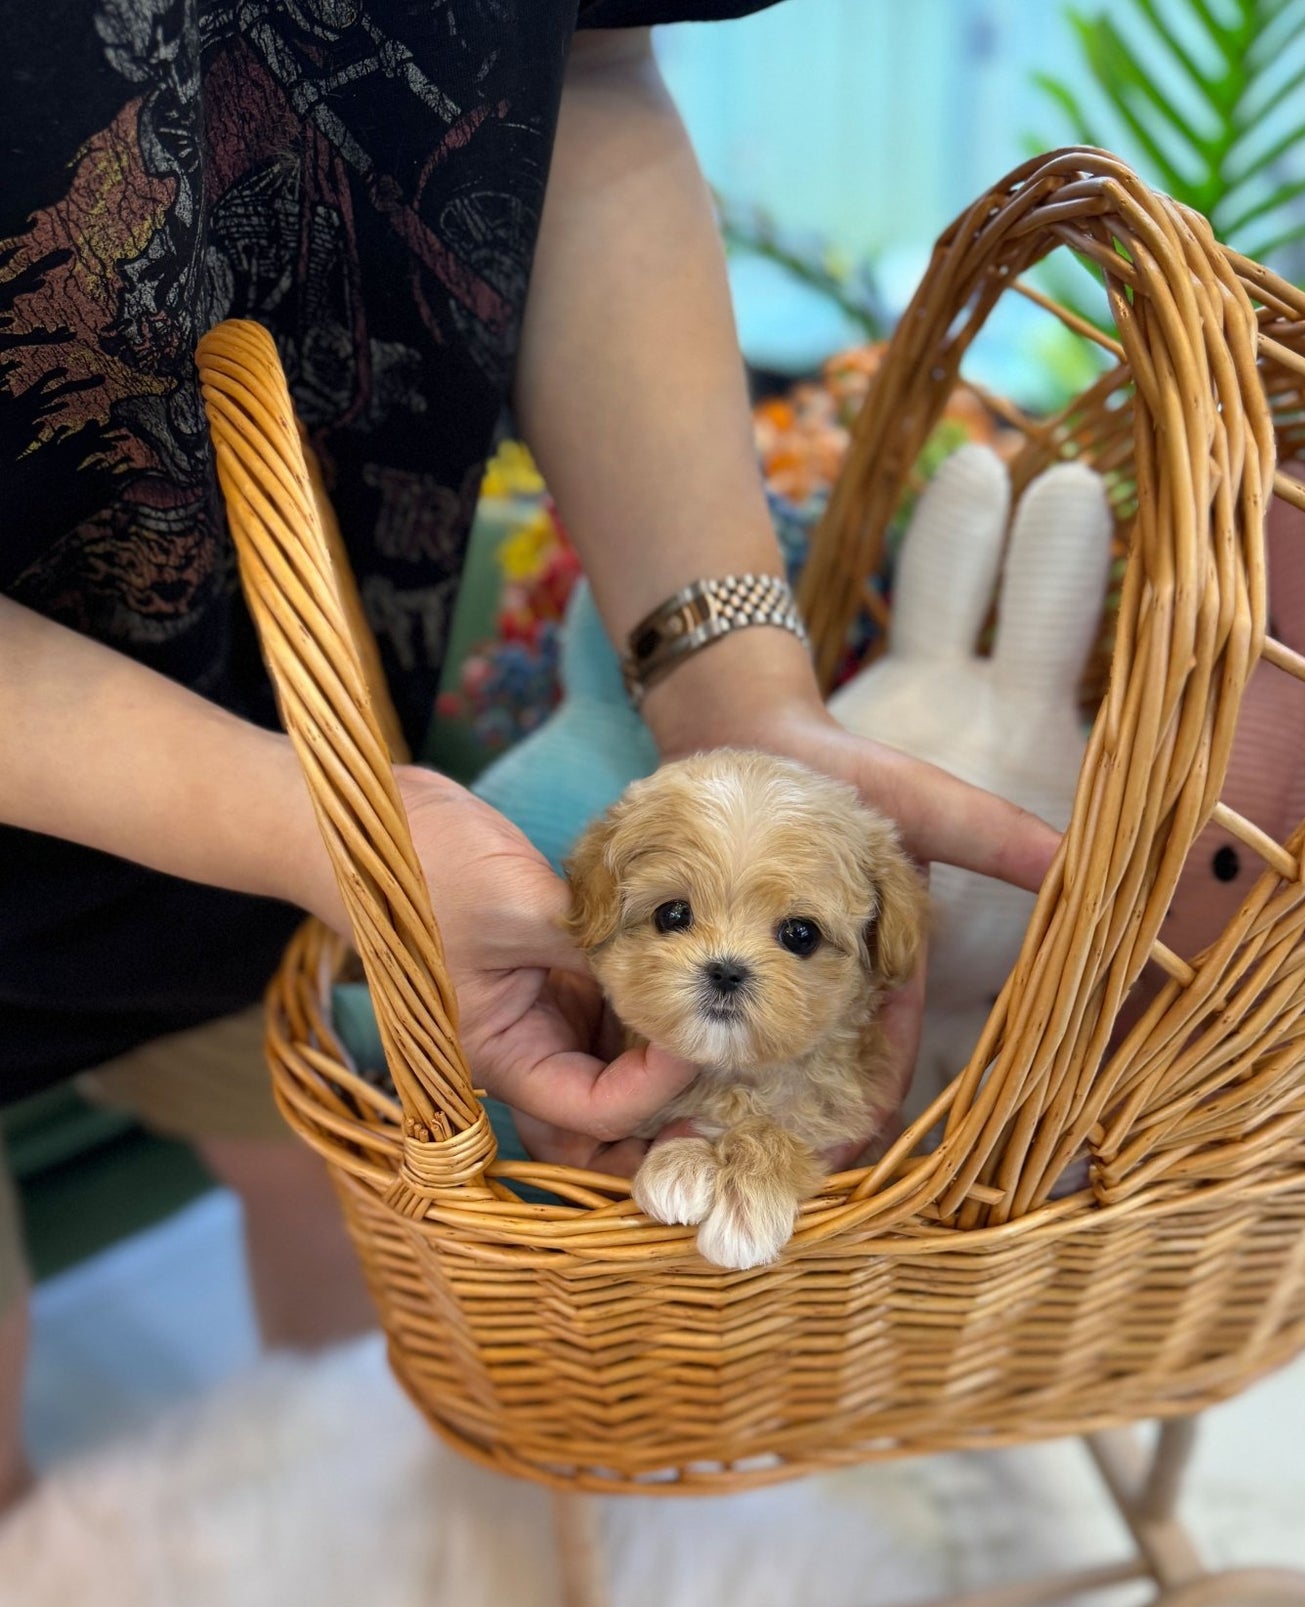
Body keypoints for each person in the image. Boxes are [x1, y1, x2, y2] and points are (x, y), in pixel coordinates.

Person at [0, 4, 1058, 1513]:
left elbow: (590, 84)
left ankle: (394, 1520)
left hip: (290, 709)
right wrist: (332, 833)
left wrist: (729, 680)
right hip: (250, 775)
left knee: (327, 1167)